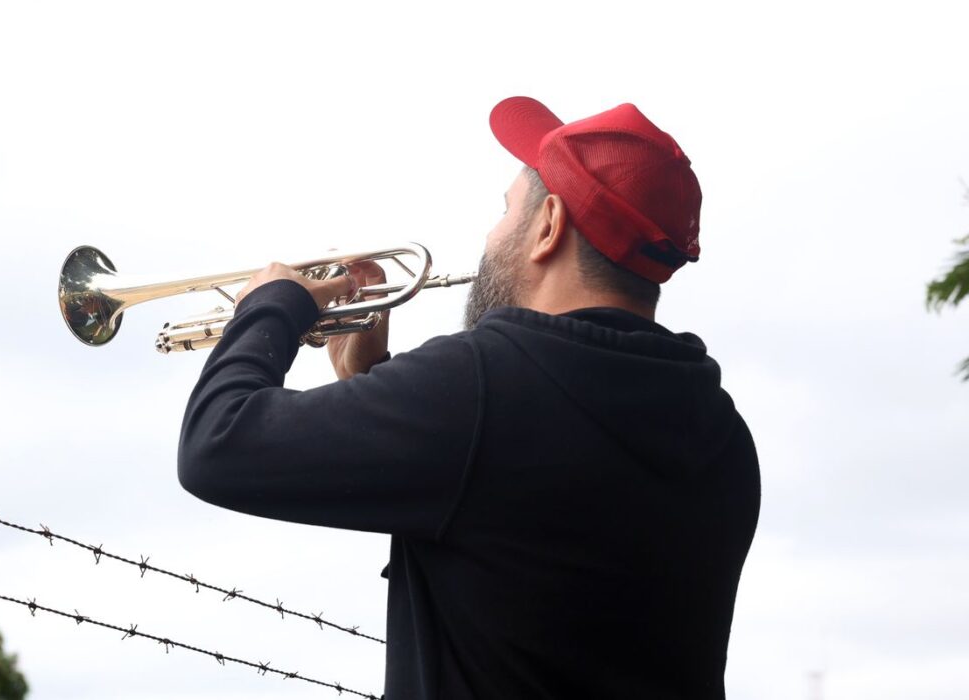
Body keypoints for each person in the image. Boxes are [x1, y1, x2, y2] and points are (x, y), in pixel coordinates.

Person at [177, 96, 760, 699]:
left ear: (548, 225)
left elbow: (217, 445)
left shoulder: (485, 382)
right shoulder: (719, 429)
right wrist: (371, 379)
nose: (491, 234)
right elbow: (514, 524)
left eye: (505, 211)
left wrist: (273, 304)